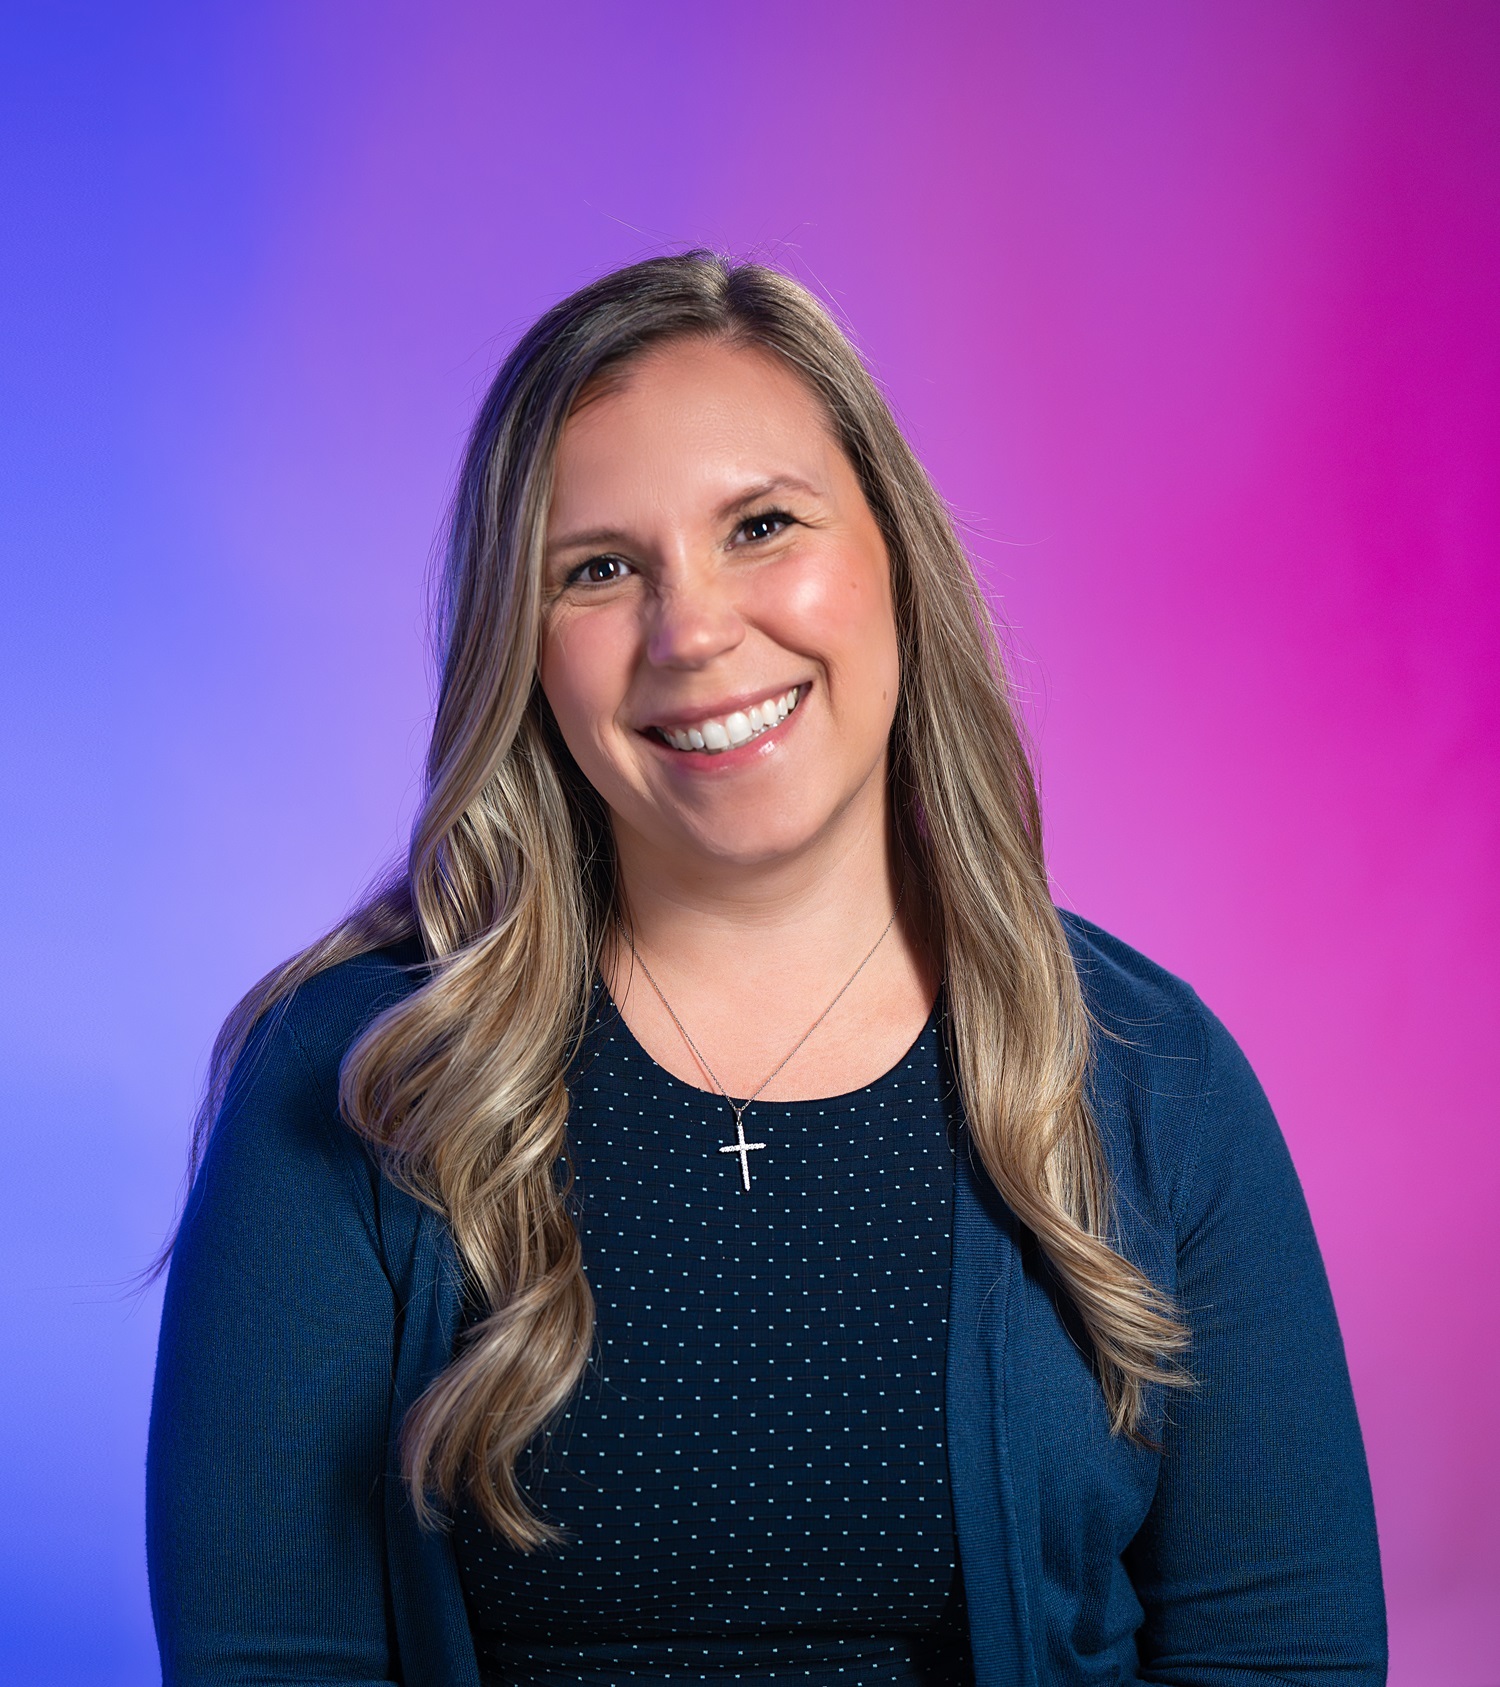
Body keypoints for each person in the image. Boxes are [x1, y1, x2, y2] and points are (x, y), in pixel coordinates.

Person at [146, 252, 1386, 1686]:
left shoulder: (1154, 1076)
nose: (695, 632)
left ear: (893, 556)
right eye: (599, 570)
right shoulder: (358, 1086)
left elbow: (1282, 1657)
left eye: (763, 525)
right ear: (521, 652)